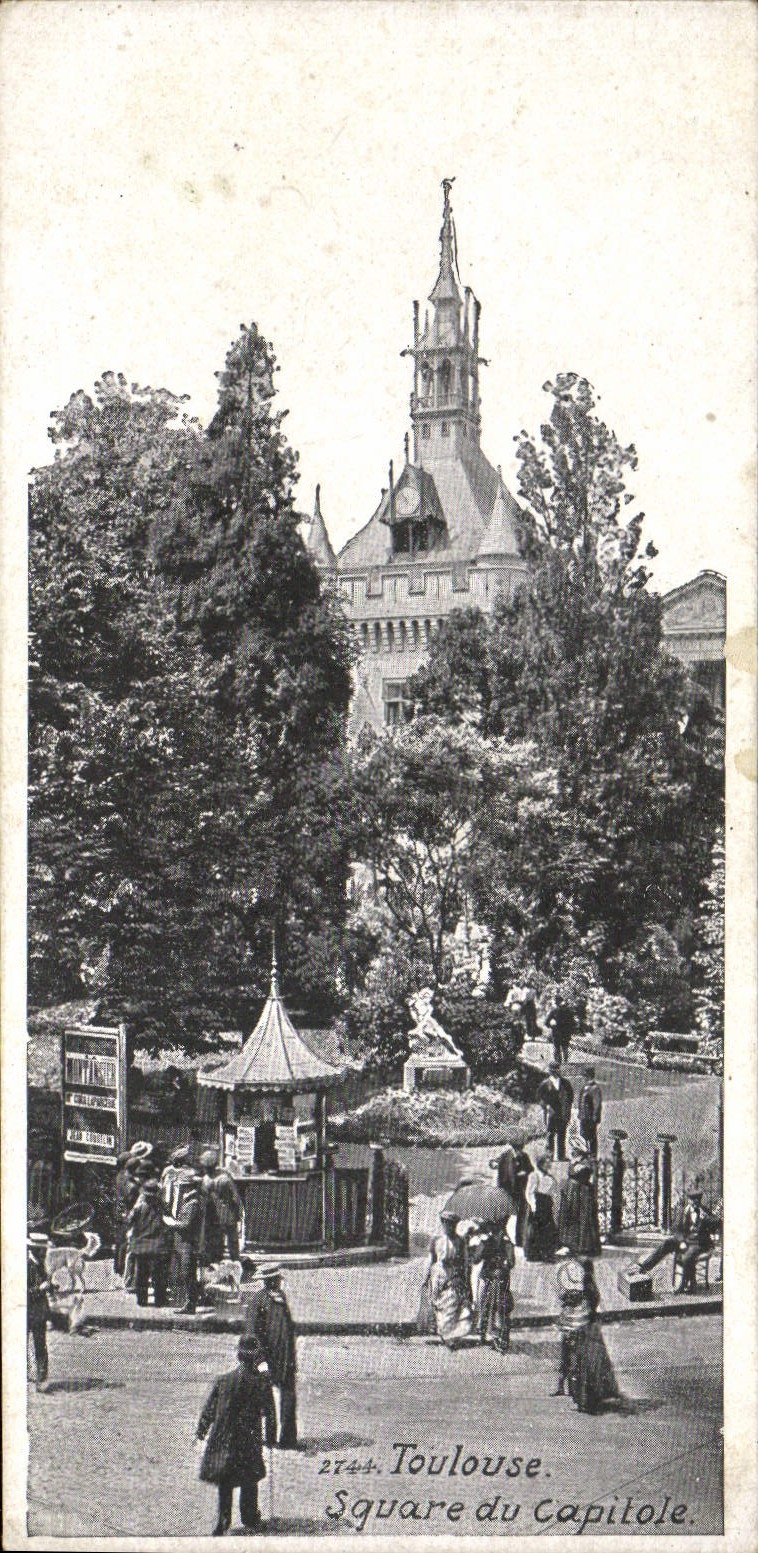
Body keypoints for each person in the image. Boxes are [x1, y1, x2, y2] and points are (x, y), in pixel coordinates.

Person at [196, 1332, 277, 1536]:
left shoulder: (224, 1380)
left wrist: (202, 1429)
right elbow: (270, 1412)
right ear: (256, 1357)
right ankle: (249, 1517)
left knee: (226, 1479)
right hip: (249, 1439)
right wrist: (270, 1438)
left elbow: (209, 1409)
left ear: (238, 1356)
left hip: (225, 1437)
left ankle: (224, 1519)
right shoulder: (262, 1383)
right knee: (250, 1478)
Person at [627, 1180, 720, 1292]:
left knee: (687, 1256)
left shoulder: (704, 1212)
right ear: (689, 1200)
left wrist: (706, 1217)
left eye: (697, 1200)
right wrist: (681, 1242)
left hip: (699, 1243)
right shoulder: (683, 1211)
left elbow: (718, 1222)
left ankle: (684, 1285)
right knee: (667, 1243)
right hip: (685, 1240)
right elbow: (676, 1229)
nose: (695, 1203)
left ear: (700, 1201)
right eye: (692, 1200)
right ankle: (643, 1267)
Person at [554, 1258, 619, 1413]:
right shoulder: (586, 1286)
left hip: (580, 1329)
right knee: (586, 1364)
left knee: (577, 1362)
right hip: (583, 1328)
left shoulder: (581, 1287)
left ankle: (572, 1391)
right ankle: (581, 1393)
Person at [244, 1265, 298, 1448]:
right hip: (267, 1359)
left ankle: (288, 1439)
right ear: (269, 1281)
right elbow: (251, 1335)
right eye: (276, 1279)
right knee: (265, 1402)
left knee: (288, 1398)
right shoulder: (257, 1301)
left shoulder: (280, 1298)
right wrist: (259, 1360)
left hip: (285, 1358)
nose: (280, 1282)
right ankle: (267, 1439)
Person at [428, 1214, 474, 1347]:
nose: (449, 1227)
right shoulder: (437, 1240)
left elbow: (465, 1262)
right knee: (439, 1305)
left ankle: (450, 1335)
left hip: (453, 1275)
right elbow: (431, 1260)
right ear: (442, 1224)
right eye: (446, 1223)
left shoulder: (460, 1242)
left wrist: (463, 1275)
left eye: (452, 1224)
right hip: (439, 1275)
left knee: (451, 1305)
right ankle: (444, 1332)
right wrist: (427, 1278)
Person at [469, 1224, 515, 1352]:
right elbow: (476, 1259)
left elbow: (511, 1262)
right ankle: (486, 1334)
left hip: (497, 1279)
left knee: (498, 1306)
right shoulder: (492, 1242)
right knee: (488, 1305)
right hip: (491, 1278)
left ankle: (494, 1336)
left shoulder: (502, 1243)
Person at [126, 1176, 170, 1307]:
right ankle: (160, 1300)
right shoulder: (162, 1206)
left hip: (141, 1246)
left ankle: (142, 1300)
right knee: (159, 1276)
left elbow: (129, 1221)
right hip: (159, 1246)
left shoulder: (139, 1207)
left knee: (141, 1275)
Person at [557, 1134, 603, 1259]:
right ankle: (572, 1245)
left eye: (574, 1149)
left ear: (580, 1151)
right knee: (571, 1217)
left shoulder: (586, 1163)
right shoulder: (575, 1162)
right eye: (572, 1148)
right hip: (572, 1192)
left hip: (582, 1193)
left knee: (582, 1218)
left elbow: (586, 1177)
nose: (571, 1151)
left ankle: (584, 1247)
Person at [164, 1170, 201, 1313]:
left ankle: (190, 1304)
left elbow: (186, 1224)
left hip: (187, 1244)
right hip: (182, 1243)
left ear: (188, 1187)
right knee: (186, 1274)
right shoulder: (189, 1200)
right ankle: (191, 1301)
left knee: (188, 1274)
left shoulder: (193, 1202)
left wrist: (171, 1223)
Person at [199, 1148, 243, 1262]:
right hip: (228, 1211)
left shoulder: (205, 1180)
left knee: (215, 1240)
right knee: (232, 1239)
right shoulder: (225, 1178)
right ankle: (235, 1260)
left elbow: (203, 1197)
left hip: (212, 1213)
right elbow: (235, 1196)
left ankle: (215, 1261)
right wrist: (239, 1212)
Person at [491, 1145, 532, 1245]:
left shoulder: (524, 1156)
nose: (520, 1152)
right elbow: (492, 1163)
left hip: (519, 1190)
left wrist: (524, 1173)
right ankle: (500, 1237)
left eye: (521, 1150)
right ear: (514, 1148)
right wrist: (494, 1164)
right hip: (506, 1190)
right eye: (518, 1150)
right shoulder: (505, 1155)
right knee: (503, 1216)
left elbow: (530, 1169)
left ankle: (520, 1240)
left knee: (522, 1214)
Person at [523, 1153, 559, 1262]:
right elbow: (529, 1192)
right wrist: (534, 1206)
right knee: (536, 1230)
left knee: (548, 1230)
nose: (549, 1164)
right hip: (538, 1204)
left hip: (547, 1204)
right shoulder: (534, 1176)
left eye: (549, 1162)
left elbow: (554, 1192)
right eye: (546, 1162)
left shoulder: (550, 1177)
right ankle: (535, 1254)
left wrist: (555, 1203)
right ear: (540, 1164)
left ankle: (548, 1253)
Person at [28, 1231, 51, 1391]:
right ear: (35, 1250)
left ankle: (41, 1378)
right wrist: (40, 1288)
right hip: (25, 1310)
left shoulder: (41, 1265)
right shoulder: (25, 1265)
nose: (45, 1253)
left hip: (39, 1311)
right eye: (43, 1250)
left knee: (40, 1344)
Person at [537, 1062, 574, 1161]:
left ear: (559, 1071)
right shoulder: (545, 1085)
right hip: (551, 1114)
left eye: (557, 1070)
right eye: (552, 1071)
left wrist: (568, 1111)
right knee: (550, 1135)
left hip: (562, 1113)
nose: (555, 1073)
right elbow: (540, 1098)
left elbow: (570, 1098)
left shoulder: (565, 1083)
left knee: (562, 1135)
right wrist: (545, 1106)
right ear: (549, 1072)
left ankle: (561, 1156)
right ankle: (549, 1156)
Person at [113, 1153, 141, 1281]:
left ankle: (118, 1267)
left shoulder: (120, 1176)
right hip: (128, 1213)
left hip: (120, 1212)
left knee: (120, 1241)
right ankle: (124, 1269)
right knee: (126, 1242)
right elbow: (131, 1198)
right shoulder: (131, 1182)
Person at [577, 1067, 603, 1156]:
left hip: (590, 1118)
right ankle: (588, 1153)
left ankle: (592, 1155)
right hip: (584, 1117)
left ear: (588, 1077)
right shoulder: (585, 1087)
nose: (583, 1078)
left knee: (591, 1137)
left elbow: (597, 1105)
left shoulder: (594, 1088)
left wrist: (595, 1118)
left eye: (584, 1077)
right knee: (585, 1135)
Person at [545, 995, 576, 1066]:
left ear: (555, 1002)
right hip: (566, 1031)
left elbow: (546, 1022)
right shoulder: (569, 1010)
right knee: (565, 1046)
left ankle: (558, 1062)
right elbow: (573, 1022)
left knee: (556, 1046)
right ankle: (566, 1061)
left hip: (556, 1031)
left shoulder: (553, 1011)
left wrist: (551, 1026)